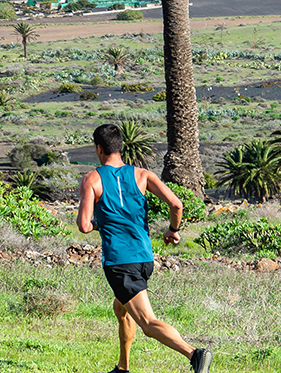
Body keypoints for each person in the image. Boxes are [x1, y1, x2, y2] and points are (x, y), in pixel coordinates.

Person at [77, 124, 213, 373]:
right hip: (144, 258)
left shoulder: (92, 179)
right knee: (121, 308)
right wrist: (173, 229)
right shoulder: (142, 175)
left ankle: (195, 354)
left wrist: (101, 223)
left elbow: (84, 226)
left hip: (120, 262)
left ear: (98, 148)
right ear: (120, 147)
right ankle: (123, 367)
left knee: (148, 323)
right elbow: (176, 204)